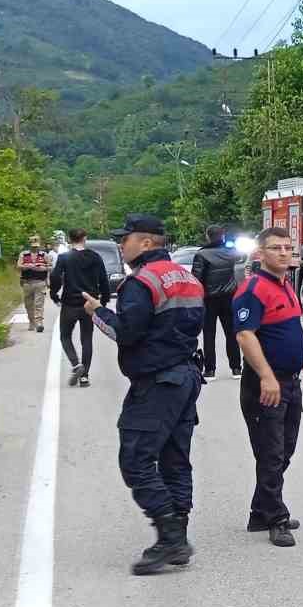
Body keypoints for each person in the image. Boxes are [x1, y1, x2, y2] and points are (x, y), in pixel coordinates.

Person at [84, 214, 204, 575]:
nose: (122, 246)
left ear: (146, 243)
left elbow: (125, 332)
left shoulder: (141, 282)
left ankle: (170, 537)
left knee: (136, 459)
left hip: (157, 382)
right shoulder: (186, 277)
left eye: (126, 239)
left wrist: (96, 312)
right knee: (175, 458)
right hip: (186, 376)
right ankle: (178, 533)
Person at [232, 227, 303, 548]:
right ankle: (276, 518)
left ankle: (260, 510)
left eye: (287, 247)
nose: (284, 253)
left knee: (284, 450)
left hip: (290, 381)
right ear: (260, 254)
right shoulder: (252, 290)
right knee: (270, 453)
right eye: (276, 248)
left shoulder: (286, 286)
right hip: (265, 384)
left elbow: (291, 329)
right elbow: (245, 336)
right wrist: (266, 375)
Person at [48, 229, 109, 387]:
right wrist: (104, 300)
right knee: (86, 339)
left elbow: (55, 277)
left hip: (70, 303)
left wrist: (54, 294)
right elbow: (104, 280)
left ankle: (76, 365)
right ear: (85, 238)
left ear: (69, 239)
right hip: (89, 304)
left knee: (65, 336)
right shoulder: (95, 257)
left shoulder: (64, 258)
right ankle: (85, 377)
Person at [191, 226, 244, 381]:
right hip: (229, 297)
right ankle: (236, 368)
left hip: (208, 299)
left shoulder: (201, 254)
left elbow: (196, 279)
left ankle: (210, 370)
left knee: (209, 334)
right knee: (232, 333)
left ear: (208, 236)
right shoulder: (231, 253)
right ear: (223, 236)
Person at [17, 235, 54, 332]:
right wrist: (27, 266)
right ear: (30, 245)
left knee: (39, 304)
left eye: (36, 246)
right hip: (27, 282)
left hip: (40, 282)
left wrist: (43, 268)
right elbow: (19, 266)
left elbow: (50, 267)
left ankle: (39, 323)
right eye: (33, 246)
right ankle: (31, 321)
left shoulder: (44, 255)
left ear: (39, 245)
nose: (35, 248)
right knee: (28, 304)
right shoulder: (23, 255)